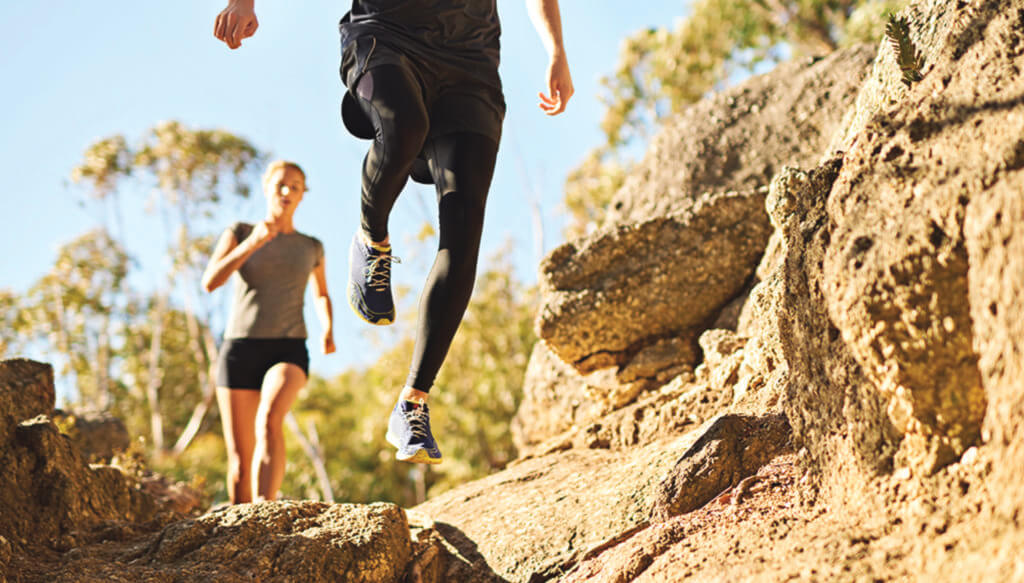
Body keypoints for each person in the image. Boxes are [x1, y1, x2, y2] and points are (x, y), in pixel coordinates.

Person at [213, 0, 573, 465]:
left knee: (463, 230)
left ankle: (413, 402)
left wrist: (557, 50)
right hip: (386, 37)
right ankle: (372, 239)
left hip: (471, 64)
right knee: (404, 124)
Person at [201, 160, 335, 503]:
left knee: (270, 417)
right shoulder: (240, 232)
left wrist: (328, 329)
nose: (287, 191)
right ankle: (239, 537)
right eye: (281, 184)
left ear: (304, 194)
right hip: (240, 350)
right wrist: (253, 244)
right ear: (266, 187)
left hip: (288, 348)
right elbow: (210, 282)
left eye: (296, 185)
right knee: (239, 466)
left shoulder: (311, 247)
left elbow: (320, 292)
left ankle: (266, 507)